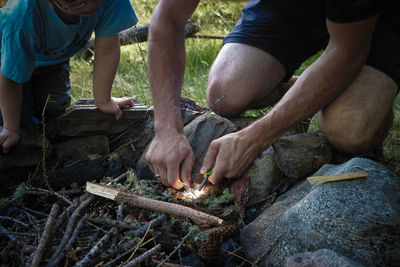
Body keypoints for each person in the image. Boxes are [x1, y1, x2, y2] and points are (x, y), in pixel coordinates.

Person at [145, 0, 400, 189]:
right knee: (225, 94)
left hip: (379, 16)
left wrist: (253, 139)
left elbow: (346, 54)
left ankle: (369, 102)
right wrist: (166, 129)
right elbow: (168, 19)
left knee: (347, 128)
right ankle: (311, 91)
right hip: (289, 6)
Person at [0, 0, 138, 153]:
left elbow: (107, 48)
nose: (90, 5)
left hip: (53, 61)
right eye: (77, 4)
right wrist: (10, 128)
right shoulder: (20, 15)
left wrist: (104, 100)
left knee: (53, 110)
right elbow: (10, 77)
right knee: (19, 121)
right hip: (8, 55)